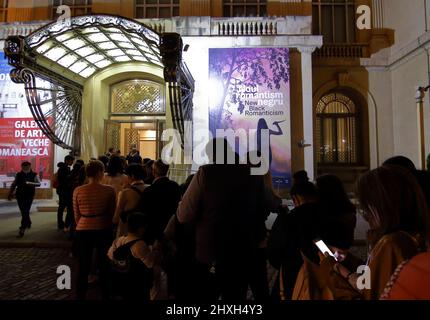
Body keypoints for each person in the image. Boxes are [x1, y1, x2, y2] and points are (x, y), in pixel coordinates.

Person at [177, 138, 269, 300]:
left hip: (211, 249)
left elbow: (185, 214)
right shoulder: (252, 174)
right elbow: (263, 208)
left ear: (212, 155)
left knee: (206, 294)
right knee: (235, 295)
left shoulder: (205, 173)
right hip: (244, 249)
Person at [320, 166, 430, 300]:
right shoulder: (414, 237)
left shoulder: (391, 243)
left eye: (367, 205)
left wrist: (330, 272)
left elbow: (367, 294)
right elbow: (371, 279)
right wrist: (349, 260)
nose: (365, 214)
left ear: (383, 204)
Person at [267, 181, 323, 300]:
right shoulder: (328, 216)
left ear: (296, 198)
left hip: (291, 274)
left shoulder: (288, 218)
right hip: (324, 274)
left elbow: (274, 251)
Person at [73, 160, 116, 300]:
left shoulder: (78, 190)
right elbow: (112, 212)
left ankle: (80, 294)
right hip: (103, 227)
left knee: (83, 264)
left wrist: (83, 223)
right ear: (99, 173)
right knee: (104, 264)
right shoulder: (109, 190)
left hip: (83, 228)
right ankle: (106, 294)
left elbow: (76, 214)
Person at [108, 212, 156, 300]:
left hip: (121, 283)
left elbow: (110, 256)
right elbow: (150, 263)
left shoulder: (118, 240)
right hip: (137, 286)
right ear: (141, 228)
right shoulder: (139, 244)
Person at [113, 164, 148, 237]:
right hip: (145, 227)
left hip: (128, 230)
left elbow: (116, 217)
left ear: (132, 176)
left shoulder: (125, 192)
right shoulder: (150, 188)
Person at [8, 162, 41, 237]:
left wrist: (30, 183)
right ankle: (28, 222)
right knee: (23, 211)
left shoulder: (34, 174)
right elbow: (14, 184)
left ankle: (22, 228)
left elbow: (39, 184)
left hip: (29, 195)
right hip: (19, 195)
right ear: (21, 167)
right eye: (24, 166)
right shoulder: (18, 174)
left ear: (30, 166)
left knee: (25, 210)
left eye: (27, 166)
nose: (25, 168)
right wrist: (10, 193)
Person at [56, 155, 74, 231]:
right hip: (64, 191)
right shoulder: (64, 168)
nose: (72, 162)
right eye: (71, 161)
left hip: (62, 190)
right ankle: (61, 223)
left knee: (61, 207)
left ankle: (61, 223)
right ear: (67, 160)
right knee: (63, 207)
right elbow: (64, 180)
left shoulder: (63, 168)